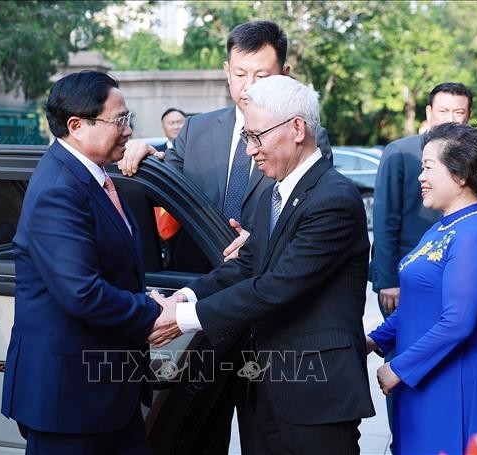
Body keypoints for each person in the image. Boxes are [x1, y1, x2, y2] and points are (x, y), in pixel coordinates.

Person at [148, 75, 375, 454]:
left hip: (316, 394)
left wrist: (184, 318)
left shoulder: (333, 199)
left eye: (256, 136)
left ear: (297, 129)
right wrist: (182, 296)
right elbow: (245, 264)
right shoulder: (276, 190)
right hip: (267, 385)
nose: (250, 150)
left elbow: (277, 287)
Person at [1, 71, 161, 454]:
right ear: (76, 126)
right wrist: (153, 312)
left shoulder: (91, 177)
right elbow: (83, 292)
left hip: (104, 393)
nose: (128, 129)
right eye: (119, 120)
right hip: (69, 398)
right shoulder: (60, 190)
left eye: (128, 118)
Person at [118, 20, 333, 261]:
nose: (249, 87)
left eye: (262, 76)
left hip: (263, 277)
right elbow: (161, 191)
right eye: (240, 74)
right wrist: (144, 159)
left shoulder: (305, 137)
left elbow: (308, 218)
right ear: (227, 71)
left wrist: (257, 244)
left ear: (285, 75)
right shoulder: (194, 130)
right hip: (193, 279)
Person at [367, 123, 477, 454]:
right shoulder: (443, 228)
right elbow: (416, 303)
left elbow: (458, 322)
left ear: (460, 176)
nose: (420, 177)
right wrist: (375, 339)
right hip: (422, 376)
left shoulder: (473, 236)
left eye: (428, 167)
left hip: (452, 381)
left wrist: (398, 368)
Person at [368, 82, 472, 437]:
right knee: (402, 352)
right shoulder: (401, 152)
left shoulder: (470, 156)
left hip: (456, 272)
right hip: (406, 277)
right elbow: (385, 219)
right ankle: (403, 433)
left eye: (460, 112)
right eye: (444, 111)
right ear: (429, 113)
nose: (452, 119)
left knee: (443, 355)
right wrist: (387, 279)